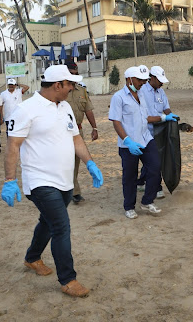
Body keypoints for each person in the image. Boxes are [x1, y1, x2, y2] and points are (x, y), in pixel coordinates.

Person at [1, 64, 104, 298]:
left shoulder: (65, 106)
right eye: (69, 85)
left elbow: (76, 138)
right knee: (61, 226)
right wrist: (9, 179)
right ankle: (68, 279)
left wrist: (90, 163)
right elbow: (12, 146)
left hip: (65, 180)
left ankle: (32, 258)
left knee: (47, 222)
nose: (72, 89)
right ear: (58, 85)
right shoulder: (26, 109)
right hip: (39, 181)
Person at [109, 65, 164, 219]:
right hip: (129, 144)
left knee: (155, 167)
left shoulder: (142, 95)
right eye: (140, 80)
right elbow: (116, 122)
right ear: (129, 79)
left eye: (144, 80)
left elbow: (145, 118)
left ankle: (147, 201)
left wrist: (163, 118)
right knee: (130, 176)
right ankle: (129, 206)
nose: (142, 83)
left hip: (146, 139)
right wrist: (127, 141)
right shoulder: (118, 97)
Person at [137, 65, 178, 199]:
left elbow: (166, 108)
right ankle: (157, 186)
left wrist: (173, 117)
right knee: (154, 160)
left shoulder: (161, 92)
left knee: (154, 158)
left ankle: (142, 181)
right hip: (145, 131)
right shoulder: (141, 91)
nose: (161, 83)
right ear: (152, 78)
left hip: (160, 130)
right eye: (159, 80)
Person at [65, 61, 99, 204]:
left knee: (75, 163)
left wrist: (94, 127)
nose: (74, 76)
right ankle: (69, 191)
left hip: (77, 131)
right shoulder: (59, 91)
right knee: (64, 163)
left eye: (75, 74)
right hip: (60, 133)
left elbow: (88, 109)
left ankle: (74, 192)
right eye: (71, 74)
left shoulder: (82, 91)